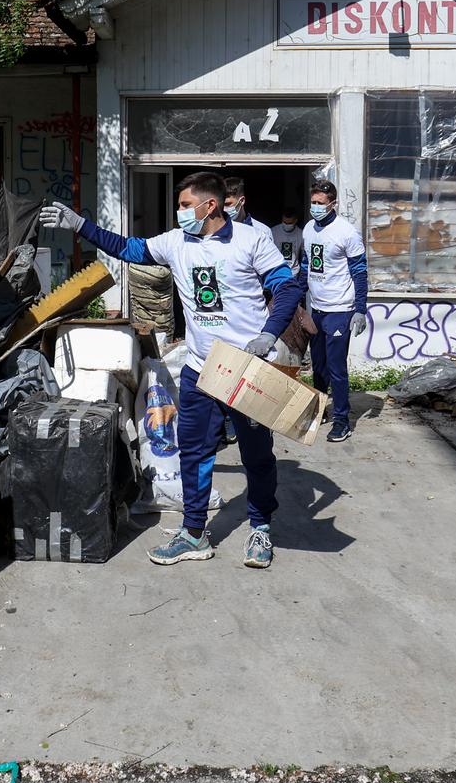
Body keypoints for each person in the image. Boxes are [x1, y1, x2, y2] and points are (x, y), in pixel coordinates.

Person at [39, 172, 300, 569]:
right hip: (199, 369)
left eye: (183, 205)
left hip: (244, 367)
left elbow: (288, 287)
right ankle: (194, 532)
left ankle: (260, 526)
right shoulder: (175, 242)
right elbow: (128, 248)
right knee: (193, 453)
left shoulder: (252, 240)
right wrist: (81, 227)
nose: (179, 212)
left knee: (257, 455)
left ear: (208, 206)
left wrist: (269, 333)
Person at [297, 181, 368, 442]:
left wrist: (360, 309)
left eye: (320, 203)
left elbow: (360, 272)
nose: (315, 208)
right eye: (313, 203)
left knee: (337, 368)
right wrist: (296, 298)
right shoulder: (308, 229)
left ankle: (342, 420)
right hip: (317, 308)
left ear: (333, 204)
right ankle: (319, 411)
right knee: (319, 366)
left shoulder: (346, 232)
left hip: (340, 309)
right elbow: (306, 267)